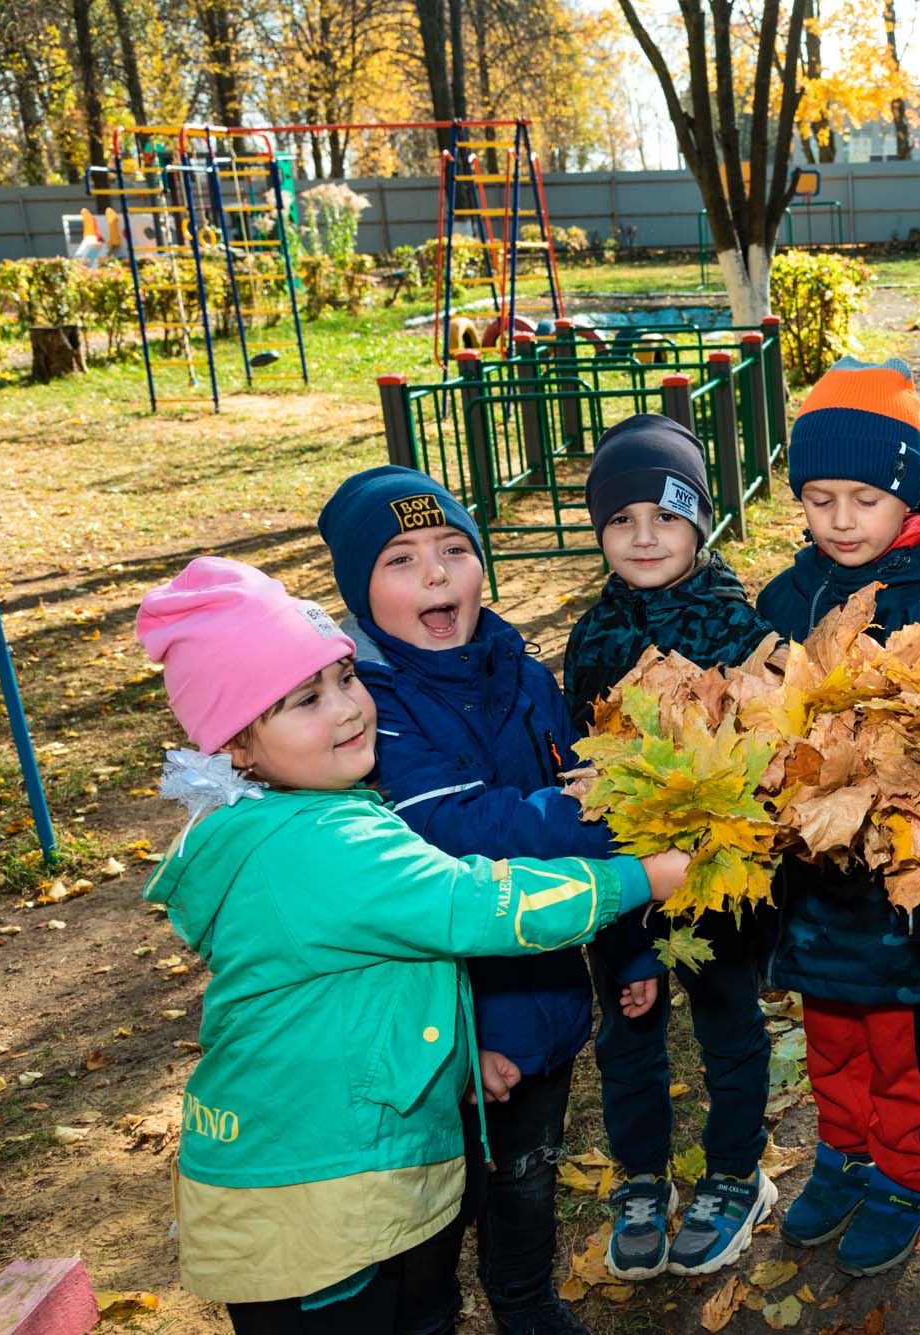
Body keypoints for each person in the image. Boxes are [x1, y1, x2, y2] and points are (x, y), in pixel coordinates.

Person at [133, 557, 687, 1335]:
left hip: (353, 1161)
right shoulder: (315, 844)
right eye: (304, 700)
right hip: (317, 1201)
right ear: (235, 749)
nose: (348, 710)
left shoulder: (311, 817)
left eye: (345, 679)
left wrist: (458, 1053)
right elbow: (474, 905)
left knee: (425, 1311)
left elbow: (370, 978)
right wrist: (636, 878)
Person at [318, 466, 647, 1335]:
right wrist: (612, 810)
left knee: (531, 1166)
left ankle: (526, 1299)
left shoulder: (518, 665)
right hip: (443, 1013)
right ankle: (429, 1317)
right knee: (435, 1195)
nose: (436, 576)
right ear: (359, 588)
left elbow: (575, 770)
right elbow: (453, 830)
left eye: (455, 550)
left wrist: (629, 949)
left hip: (542, 988)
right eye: (401, 559)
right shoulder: (365, 703)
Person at [755, 356, 920, 1277]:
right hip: (811, 876)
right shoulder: (784, 593)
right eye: (819, 498)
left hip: (893, 879)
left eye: (864, 498)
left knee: (896, 1033)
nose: (841, 521)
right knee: (828, 1029)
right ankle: (842, 1153)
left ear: (904, 494)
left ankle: (907, 1171)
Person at [558, 414, 780, 1282]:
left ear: (701, 522)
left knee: (728, 1020)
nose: (644, 536)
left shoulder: (739, 626)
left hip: (719, 874)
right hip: (620, 875)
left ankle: (732, 1174)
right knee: (629, 1027)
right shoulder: (592, 638)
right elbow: (577, 759)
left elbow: (771, 751)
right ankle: (642, 1179)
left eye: (666, 515)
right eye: (621, 520)